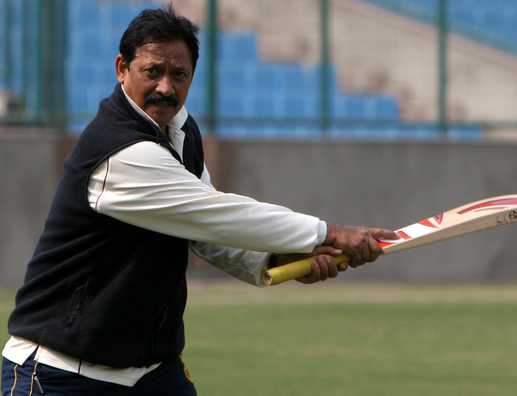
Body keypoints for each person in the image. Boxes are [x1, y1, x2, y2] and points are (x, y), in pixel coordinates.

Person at [1, 5, 396, 396]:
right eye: (152, 71)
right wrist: (327, 233)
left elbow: (204, 235)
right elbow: (217, 214)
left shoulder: (182, 131)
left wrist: (279, 261)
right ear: (122, 68)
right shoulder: (119, 152)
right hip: (61, 373)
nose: (166, 87)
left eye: (179, 74)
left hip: (152, 371)